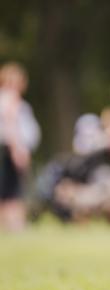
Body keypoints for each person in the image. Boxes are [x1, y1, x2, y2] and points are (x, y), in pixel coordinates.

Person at [0, 62, 40, 231]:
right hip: (10, 148)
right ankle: (16, 224)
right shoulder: (10, 98)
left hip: (10, 148)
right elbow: (11, 124)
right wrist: (18, 149)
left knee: (8, 187)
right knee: (12, 189)